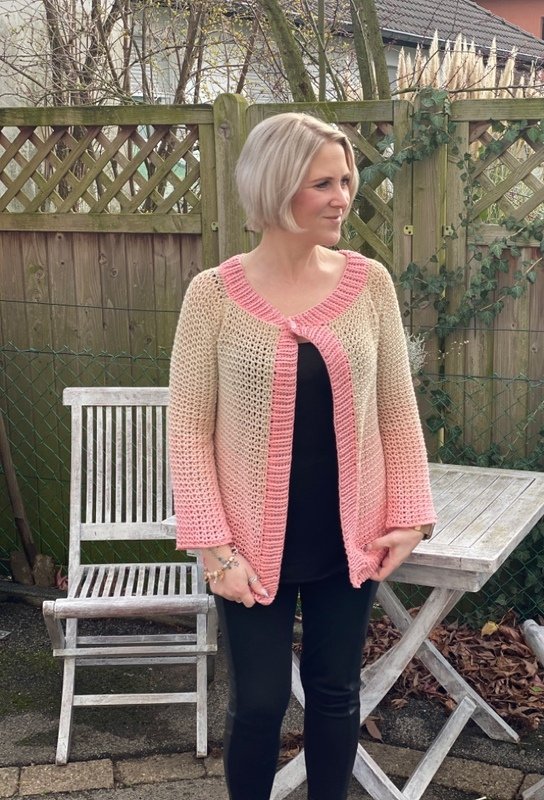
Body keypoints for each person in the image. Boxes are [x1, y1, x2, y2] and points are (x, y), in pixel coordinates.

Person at [168, 112, 437, 800]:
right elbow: (189, 432)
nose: (343, 197)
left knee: (336, 692)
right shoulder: (212, 295)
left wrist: (410, 516)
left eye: (346, 180)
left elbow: (395, 410)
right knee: (258, 703)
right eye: (323, 183)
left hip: (347, 537)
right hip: (249, 547)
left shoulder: (370, 285)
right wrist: (214, 551)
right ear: (276, 186)